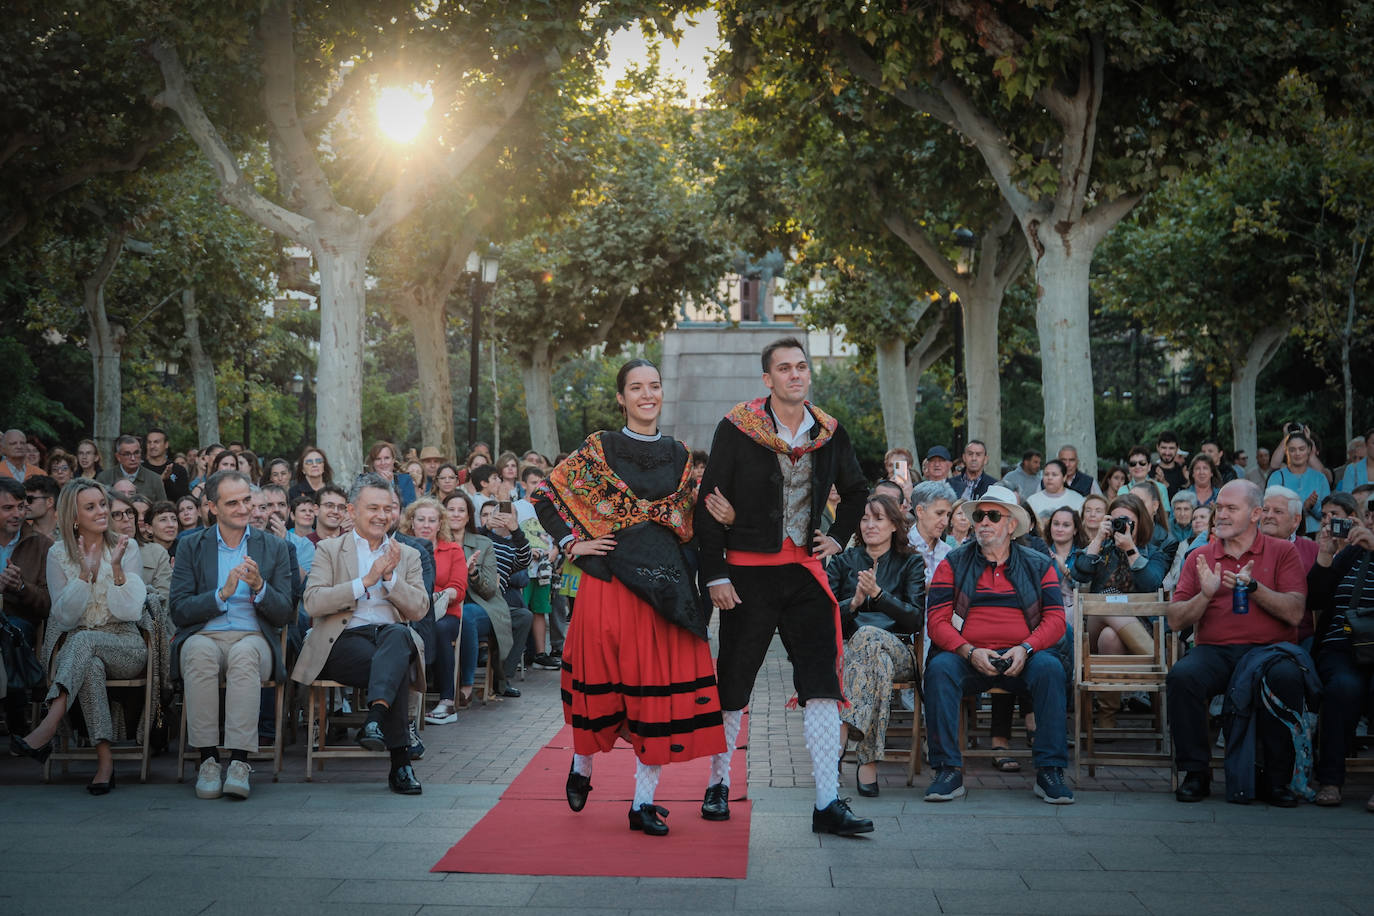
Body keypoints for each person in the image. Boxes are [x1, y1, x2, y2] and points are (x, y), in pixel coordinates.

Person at [530, 359, 725, 836]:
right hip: (610, 586)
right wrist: (572, 544)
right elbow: (546, 496)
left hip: (661, 590)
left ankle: (643, 803)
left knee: (652, 695)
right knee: (602, 683)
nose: (646, 395)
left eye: (654, 386)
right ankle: (582, 764)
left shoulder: (679, 453)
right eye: (636, 387)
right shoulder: (602, 446)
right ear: (621, 397)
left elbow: (687, 526)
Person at [695, 336, 872, 836]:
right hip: (747, 574)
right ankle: (718, 783)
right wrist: (716, 574)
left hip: (805, 573)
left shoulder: (829, 431)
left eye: (802, 367)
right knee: (734, 681)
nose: (796, 375)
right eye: (784, 369)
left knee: (821, 685)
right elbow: (709, 503)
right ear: (767, 379)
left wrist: (837, 538)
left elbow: (858, 490)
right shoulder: (737, 427)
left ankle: (826, 802)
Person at [922, 485, 1073, 804]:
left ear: (1011, 524)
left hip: (1024, 657)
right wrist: (969, 651)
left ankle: (1049, 771)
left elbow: (1057, 620)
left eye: (993, 515)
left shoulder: (1038, 563)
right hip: (969, 656)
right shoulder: (953, 562)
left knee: (1051, 669)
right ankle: (947, 770)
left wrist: (1027, 647)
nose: (984, 522)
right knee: (939, 669)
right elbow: (936, 622)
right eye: (979, 515)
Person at [1167, 480, 1311, 805]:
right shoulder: (1200, 556)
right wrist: (1205, 595)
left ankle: (1277, 781)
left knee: (1286, 677)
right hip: (1215, 650)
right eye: (1220, 507)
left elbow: (1295, 612)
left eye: (1232, 508)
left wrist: (1255, 587)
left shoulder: (1283, 551)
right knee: (1182, 677)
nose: (1222, 514)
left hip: (1269, 652)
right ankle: (1196, 773)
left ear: (1256, 513)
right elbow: (1175, 619)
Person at [292, 473, 429, 795]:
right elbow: (312, 602)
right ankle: (400, 764)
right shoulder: (329, 549)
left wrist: (391, 579)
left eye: (388, 508)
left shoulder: (406, 554)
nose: (382, 516)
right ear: (352, 512)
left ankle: (374, 720)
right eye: (373, 508)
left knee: (397, 636)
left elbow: (420, 609)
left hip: (390, 638)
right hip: (342, 641)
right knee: (393, 665)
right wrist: (365, 581)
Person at [10, 480, 147, 793]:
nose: (102, 512)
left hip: (125, 645)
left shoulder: (127, 546)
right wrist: (84, 575)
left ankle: (49, 723)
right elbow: (65, 616)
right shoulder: (58, 554)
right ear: (74, 516)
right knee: (89, 662)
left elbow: (131, 612)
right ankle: (104, 763)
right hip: (83, 649)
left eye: (102, 504)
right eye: (91, 507)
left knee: (82, 643)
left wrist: (116, 571)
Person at [170, 470, 294, 800]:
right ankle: (208, 759)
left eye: (247, 500)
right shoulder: (190, 545)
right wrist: (220, 595)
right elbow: (179, 610)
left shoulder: (274, 548)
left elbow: (285, 612)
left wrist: (259, 587)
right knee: (198, 652)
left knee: (244, 655)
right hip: (204, 633)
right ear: (212, 507)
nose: (244, 509)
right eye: (233, 502)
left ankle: (239, 761)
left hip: (253, 636)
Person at [828, 494, 925, 797]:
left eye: (879, 519)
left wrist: (880, 595)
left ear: (895, 524)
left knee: (870, 635)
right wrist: (854, 602)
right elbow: (823, 615)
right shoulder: (845, 561)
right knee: (875, 663)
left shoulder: (911, 562)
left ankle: (844, 732)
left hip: (901, 649)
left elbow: (914, 620)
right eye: (866, 518)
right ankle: (867, 762)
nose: (870, 525)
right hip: (854, 652)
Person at [1307, 513, 1374, 810]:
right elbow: (1316, 600)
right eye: (1371, 516)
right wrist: (1325, 554)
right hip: (1342, 646)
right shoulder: (1352, 553)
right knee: (1342, 688)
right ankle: (1330, 779)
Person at [442, 490, 522, 703]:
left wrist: (473, 573)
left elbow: (489, 591)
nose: (456, 514)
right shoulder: (435, 542)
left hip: (483, 606)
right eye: (451, 510)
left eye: (462, 510)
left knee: (465, 615)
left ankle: (466, 685)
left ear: (469, 516)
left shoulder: (482, 543)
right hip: (444, 604)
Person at [1072, 494, 1167, 654]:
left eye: (1127, 521)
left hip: (1140, 624)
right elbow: (1079, 574)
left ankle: (1117, 679)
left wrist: (1130, 550)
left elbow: (1151, 583)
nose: (1121, 525)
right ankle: (1157, 659)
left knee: (1109, 637)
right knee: (1108, 598)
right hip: (1097, 619)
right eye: (1115, 520)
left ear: (1141, 522)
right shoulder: (1102, 549)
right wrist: (1098, 539)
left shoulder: (1154, 554)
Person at [401, 498, 466, 725]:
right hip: (410, 611)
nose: (426, 525)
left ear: (440, 524)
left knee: (437, 629)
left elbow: (459, 589)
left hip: (444, 613)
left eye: (432, 520)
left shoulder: (453, 550)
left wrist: (442, 595)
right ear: (411, 522)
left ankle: (447, 702)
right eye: (421, 520)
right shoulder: (403, 549)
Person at [108, 491, 171, 604]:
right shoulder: (97, 553)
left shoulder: (157, 553)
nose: (126, 519)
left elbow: (164, 601)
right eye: (117, 514)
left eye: (129, 512)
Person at [1266, 432, 1329, 535]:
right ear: (1286, 451)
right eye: (1292, 450)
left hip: (1316, 535)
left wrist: (1313, 506)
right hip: (1285, 535)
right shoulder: (1276, 477)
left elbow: (1326, 514)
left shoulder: (1320, 478)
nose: (1297, 453)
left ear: (1309, 450)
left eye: (1301, 449)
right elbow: (1271, 511)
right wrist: (1303, 507)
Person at [95, 435, 166, 502]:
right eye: (127, 454)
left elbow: (163, 509)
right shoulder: (104, 478)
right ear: (118, 457)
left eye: (136, 453)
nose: (133, 458)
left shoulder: (154, 479)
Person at [366, 440, 417, 508]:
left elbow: (410, 508)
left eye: (387, 458)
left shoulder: (405, 480)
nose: (383, 462)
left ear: (393, 460)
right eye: (378, 459)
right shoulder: (365, 481)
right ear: (373, 463)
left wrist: (391, 485)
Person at [143, 428, 189, 500]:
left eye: (156, 442)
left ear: (166, 444)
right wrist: (161, 479)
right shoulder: (141, 469)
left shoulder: (178, 469)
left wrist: (168, 480)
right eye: (149, 442)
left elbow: (183, 498)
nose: (152, 446)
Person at [24, 474, 61, 540]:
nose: (25, 503)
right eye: (23, 499)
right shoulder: (20, 535)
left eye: (30, 499)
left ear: (49, 502)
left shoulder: (70, 533)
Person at [1153, 431, 1188, 498]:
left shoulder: (1183, 472)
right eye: (1164, 448)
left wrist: (1188, 483)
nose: (1167, 453)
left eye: (1171, 448)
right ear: (1157, 447)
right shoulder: (1150, 471)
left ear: (1177, 449)